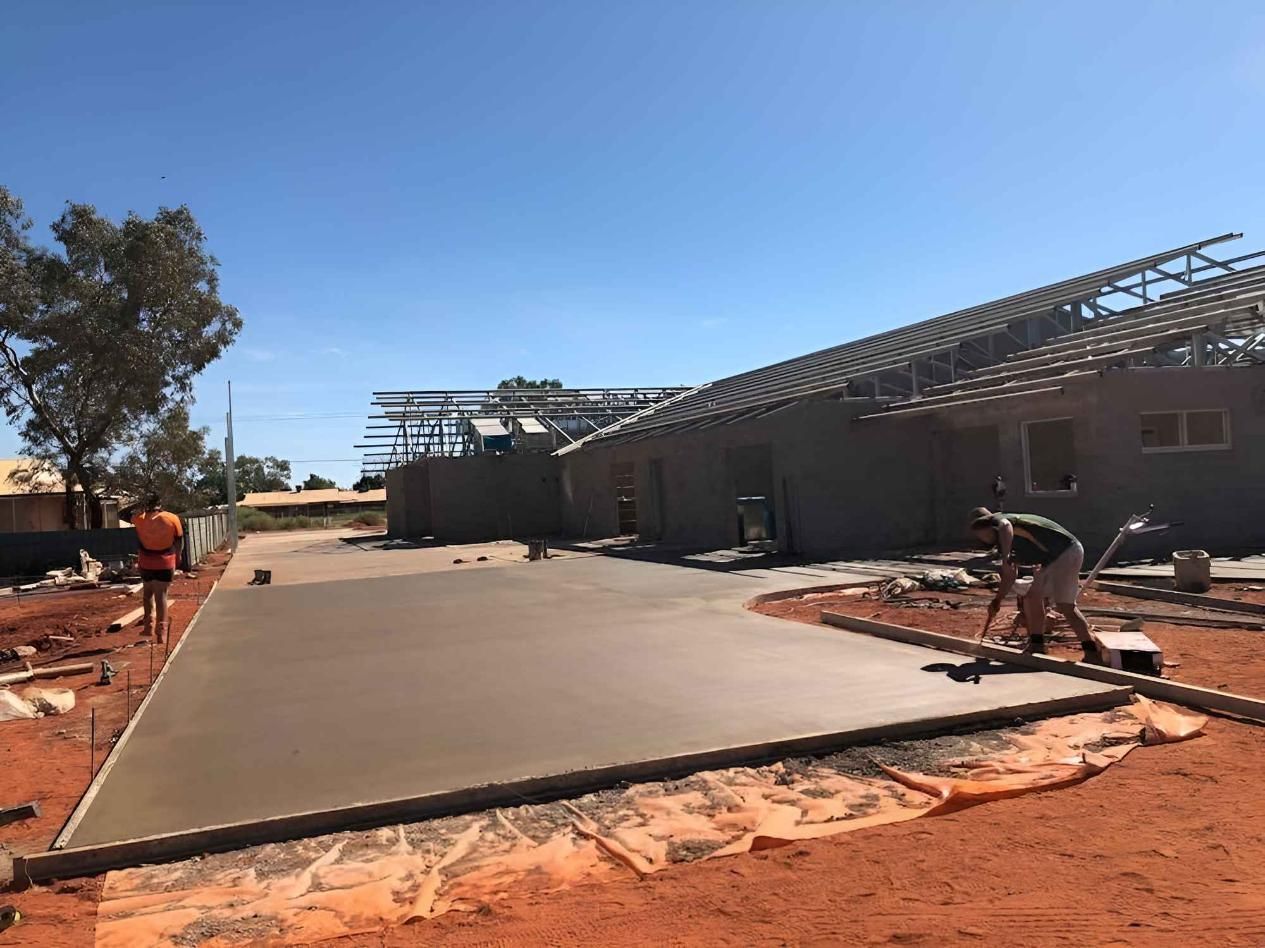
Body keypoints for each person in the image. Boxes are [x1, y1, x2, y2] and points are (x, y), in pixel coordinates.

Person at [968, 506, 1094, 658]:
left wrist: (1006, 556)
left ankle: (1091, 651)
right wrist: (998, 600)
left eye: (982, 533)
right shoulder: (1004, 543)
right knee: (1032, 597)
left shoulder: (1001, 521)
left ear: (988, 527)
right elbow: (1010, 575)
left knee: (1065, 605)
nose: (982, 538)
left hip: (1065, 551)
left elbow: (1006, 526)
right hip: (1049, 559)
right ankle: (1037, 645)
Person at [120, 493, 184, 643]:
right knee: (161, 596)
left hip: (146, 561)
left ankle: (148, 627)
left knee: (147, 593)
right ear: (160, 503)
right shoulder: (172, 518)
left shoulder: (139, 518)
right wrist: (178, 557)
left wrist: (138, 506)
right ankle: (161, 632)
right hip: (166, 561)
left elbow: (121, 514)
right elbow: (179, 541)